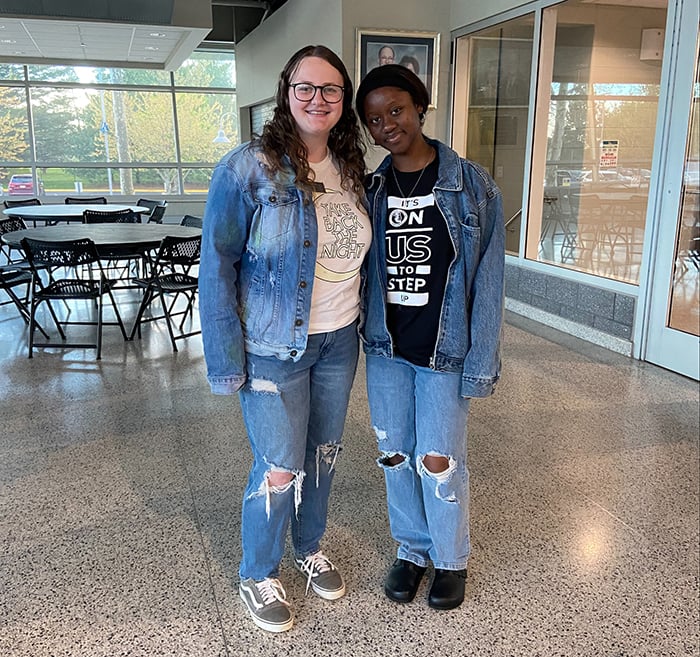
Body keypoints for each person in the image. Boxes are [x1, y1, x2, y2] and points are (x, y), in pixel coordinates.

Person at [199, 45, 370, 633]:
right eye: (306, 87)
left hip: (339, 340)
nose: (317, 100)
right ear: (285, 93)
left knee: (322, 456)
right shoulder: (247, 168)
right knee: (278, 464)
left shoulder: (352, 168)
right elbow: (217, 266)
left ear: (343, 101)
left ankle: (310, 545)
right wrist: (225, 361)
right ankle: (257, 571)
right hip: (274, 346)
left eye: (330, 90)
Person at [355, 64, 505, 610]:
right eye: (374, 119)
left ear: (420, 107)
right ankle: (412, 549)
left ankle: (450, 558)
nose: (387, 125)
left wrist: (481, 363)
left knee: (439, 459)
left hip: (444, 350)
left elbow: (489, 280)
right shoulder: (369, 190)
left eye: (396, 110)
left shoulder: (472, 187)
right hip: (386, 348)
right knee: (395, 454)